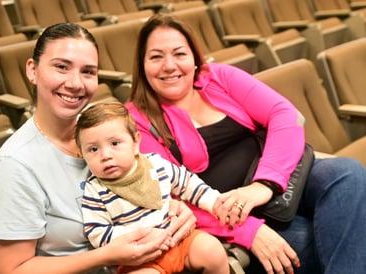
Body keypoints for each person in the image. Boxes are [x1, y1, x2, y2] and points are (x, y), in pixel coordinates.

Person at [125, 14, 366, 274]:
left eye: (179, 54)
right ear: (142, 65)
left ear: (195, 59)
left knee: (347, 173)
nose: (169, 65)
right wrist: (250, 231)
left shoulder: (218, 77)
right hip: (231, 217)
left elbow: (284, 115)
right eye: (156, 57)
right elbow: (166, 197)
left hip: (279, 182)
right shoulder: (136, 121)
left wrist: (264, 184)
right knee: (321, 241)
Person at [0, 22, 196, 274]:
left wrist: (173, 207)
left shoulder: (101, 131)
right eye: (61, 67)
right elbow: (11, 270)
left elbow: (146, 178)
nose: (75, 83)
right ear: (33, 70)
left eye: (88, 72)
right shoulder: (13, 166)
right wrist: (104, 255)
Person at [75, 102, 230, 274]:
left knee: (212, 250)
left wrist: (215, 202)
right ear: (82, 154)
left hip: (178, 240)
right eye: (93, 149)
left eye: (115, 143)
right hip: (139, 258)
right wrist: (140, 237)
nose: (105, 155)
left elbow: (187, 183)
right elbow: (97, 232)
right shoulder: (95, 190)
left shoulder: (155, 164)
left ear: (135, 142)